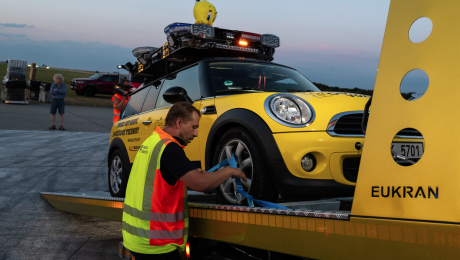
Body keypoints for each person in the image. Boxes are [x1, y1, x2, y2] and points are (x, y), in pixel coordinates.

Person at [122, 102, 246, 260]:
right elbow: (200, 184)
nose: (195, 134)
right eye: (194, 127)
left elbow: (160, 178)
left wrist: (189, 173)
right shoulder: (170, 149)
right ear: (179, 122)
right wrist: (229, 171)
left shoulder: (152, 142)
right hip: (156, 244)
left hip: (137, 238)